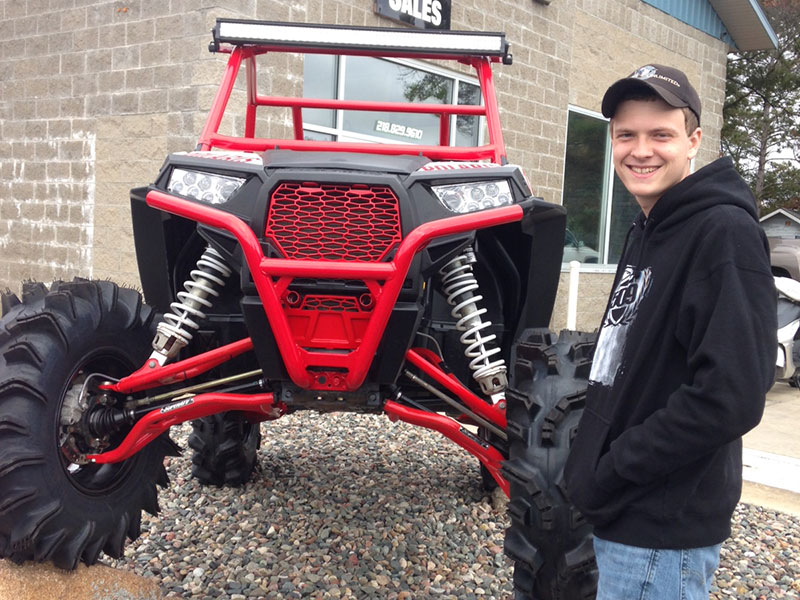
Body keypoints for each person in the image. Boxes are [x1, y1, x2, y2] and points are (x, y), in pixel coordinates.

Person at [563, 64, 777, 599]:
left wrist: (614, 468)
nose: (641, 151)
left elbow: (730, 397)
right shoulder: (648, 225)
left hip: (660, 529)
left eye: (660, 134)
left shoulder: (722, 232)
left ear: (693, 141)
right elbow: (622, 360)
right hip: (624, 512)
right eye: (626, 135)